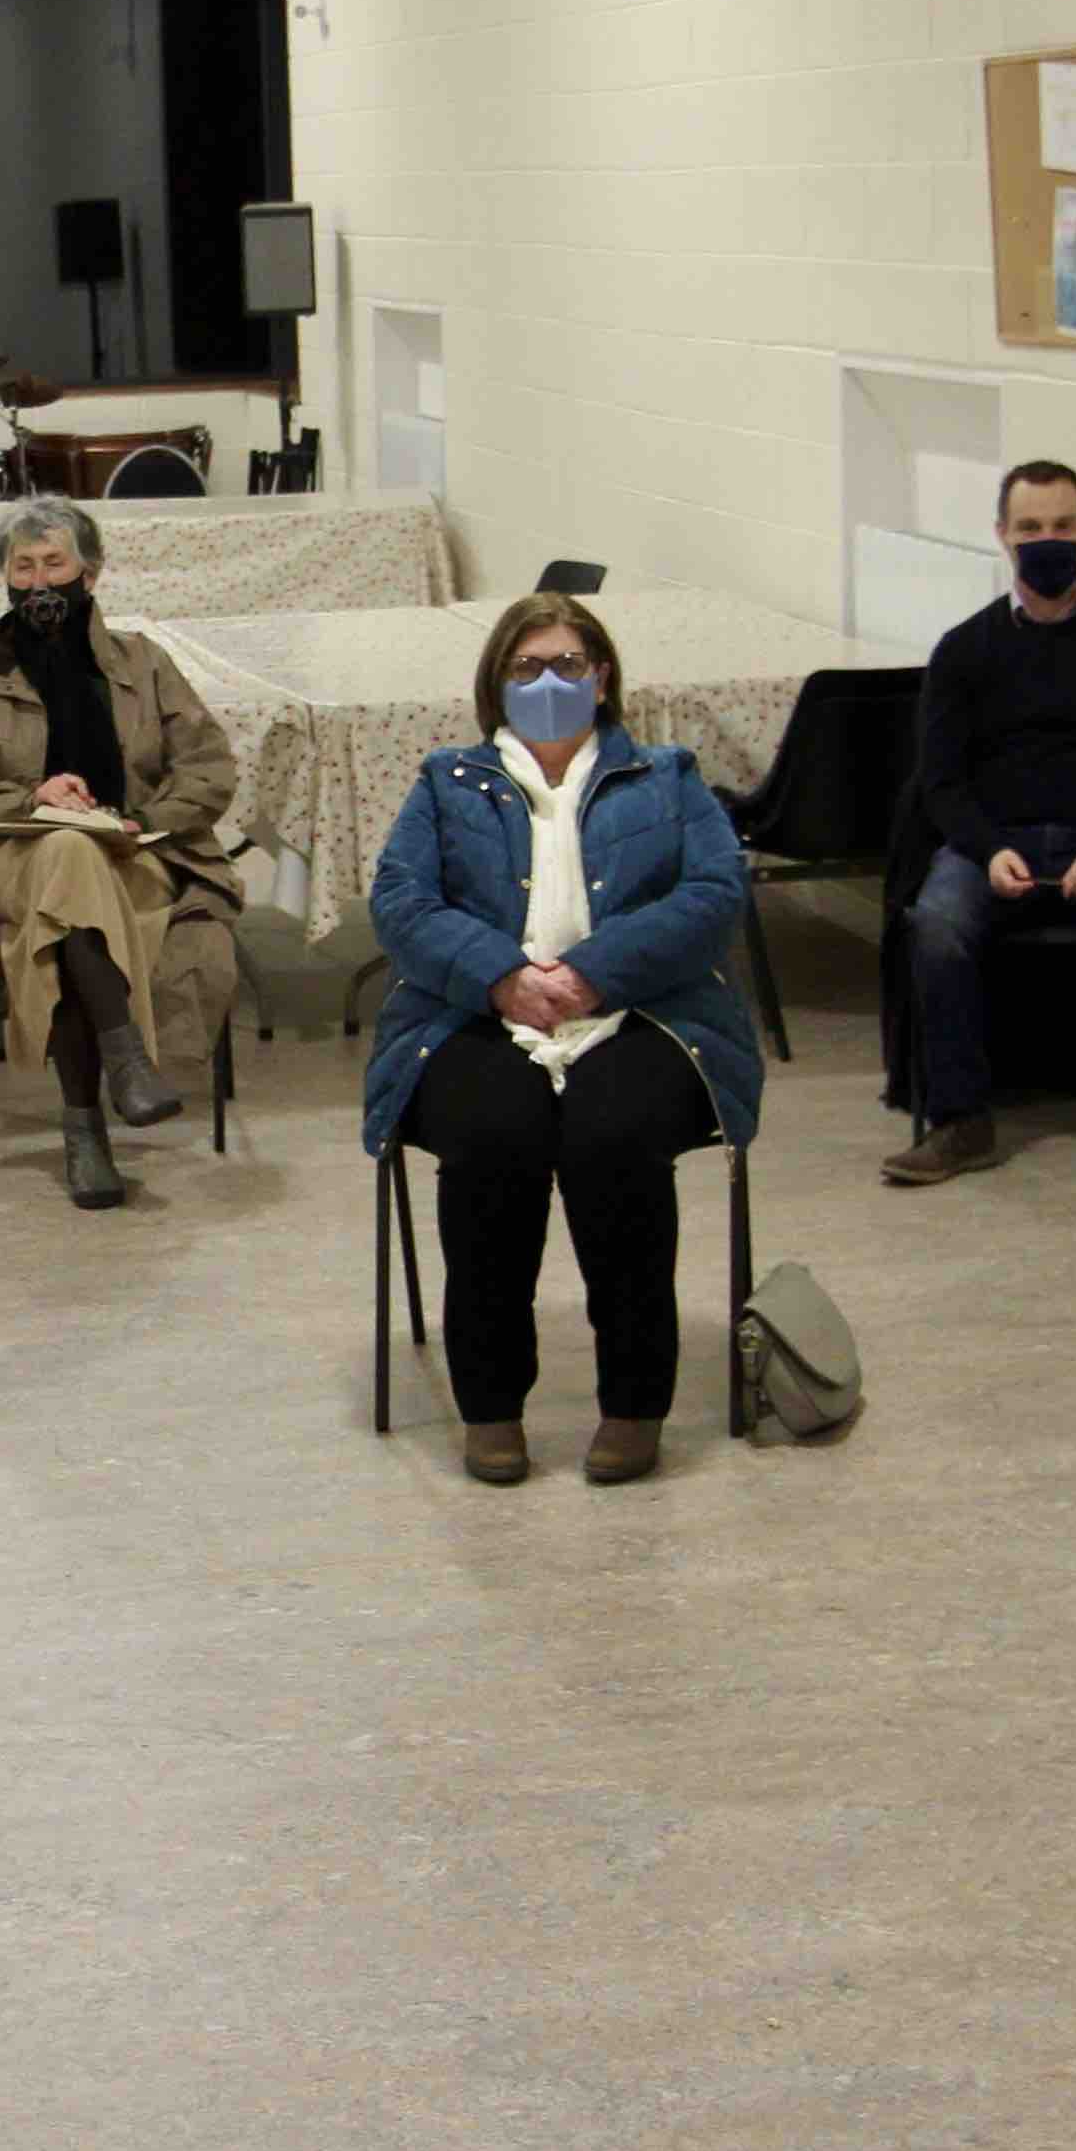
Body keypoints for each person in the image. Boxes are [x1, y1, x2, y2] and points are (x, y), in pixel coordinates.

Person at [363, 592, 762, 1487]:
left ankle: (634, 1403)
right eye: (526, 667)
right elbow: (401, 902)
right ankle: (491, 1406)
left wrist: (592, 974)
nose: (547, 682)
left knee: (613, 1139)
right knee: (491, 1140)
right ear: (496, 682)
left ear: (603, 676)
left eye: (567, 665)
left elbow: (711, 894)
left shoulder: (668, 775)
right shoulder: (444, 779)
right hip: (474, 1014)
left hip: (644, 1011)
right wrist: (502, 974)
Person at [0, 500, 245, 1208]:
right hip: (14, 855)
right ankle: (126, 1058)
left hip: (135, 851)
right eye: (23, 566)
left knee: (66, 914)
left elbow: (210, 768)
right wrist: (31, 796)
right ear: (5, 579)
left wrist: (140, 818)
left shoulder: (144, 662)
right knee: (66, 855)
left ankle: (86, 1132)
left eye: (55, 561)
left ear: (91, 569)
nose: (39, 579)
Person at [880, 460, 1076, 1196]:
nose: (1047, 541)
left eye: (1062, 525)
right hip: (994, 843)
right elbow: (941, 782)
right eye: (1030, 528)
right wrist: (989, 848)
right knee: (936, 922)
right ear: (1002, 536)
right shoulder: (964, 649)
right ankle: (960, 1120)